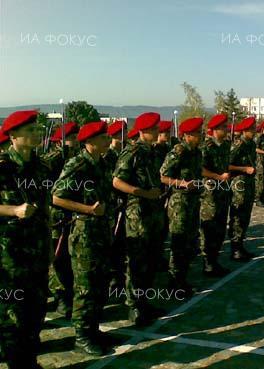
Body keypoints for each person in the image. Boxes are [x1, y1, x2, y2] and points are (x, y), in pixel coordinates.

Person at [52, 121, 113, 356]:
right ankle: (82, 336)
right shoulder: (77, 164)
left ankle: (94, 330)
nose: (108, 140)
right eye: (103, 137)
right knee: (85, 287)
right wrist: (87, 209)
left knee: (99, 284)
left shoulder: (104, 161)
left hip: (102, 231)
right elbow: (57, 197)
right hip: (84, 233)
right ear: (89, 141)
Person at [0, 110, 50, 369]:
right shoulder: (2, 167)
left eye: (36, 129)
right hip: (10, 254)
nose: (36, 134)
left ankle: (28, 360)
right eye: (29, 130)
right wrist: (13, 210)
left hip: (38, 250)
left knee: (36, 309)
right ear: (13, 136)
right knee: (13, 315)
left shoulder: (41, 167)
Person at [113, 112, 165, 325]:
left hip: (154, 211)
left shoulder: (152, 152)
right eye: (154, 129)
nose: (157, 132)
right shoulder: (132, 151)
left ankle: (144, 302)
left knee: (152, 259)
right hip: (138, 214)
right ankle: (133, 306)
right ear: (144, 131)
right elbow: (117, 181)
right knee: (137, 260)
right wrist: (142, 193)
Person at [161, 117, 204, 292]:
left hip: (194, 200)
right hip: (179, 201)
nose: (200, 135)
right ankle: (175, 282)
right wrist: (181, 183)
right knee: (179, 242)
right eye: (197, 133)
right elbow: (163, 176)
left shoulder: (197, 152)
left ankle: (182, 278)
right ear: (187, 135)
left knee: (190, 241)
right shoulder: (178, 152)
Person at [42, 122, 80, 318]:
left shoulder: (75, 157)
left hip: (72, 213)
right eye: (71, 137)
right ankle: (61, 296)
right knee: (58, 258)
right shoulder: (54, 158)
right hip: (57, 214)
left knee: (69, 256)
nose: (74, 141)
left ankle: (68, 293)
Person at [199, 114, 232, 277]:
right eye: (224, 127)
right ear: (215, 130)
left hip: (223, 192)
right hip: (210, 193)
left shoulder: (225, 146)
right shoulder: (206, 147)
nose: (227, 129)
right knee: (209, 228)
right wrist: (218, 177)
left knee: (220, 227)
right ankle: (207, 263)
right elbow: (201, 169)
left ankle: (214, 260)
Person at [103, 121, 128, 293]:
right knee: (112, 242)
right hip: (112, 204)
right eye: (122, 133)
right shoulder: (109, 156)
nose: (125, 135)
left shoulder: (123, 153)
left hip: (122, 203)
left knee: (121, 242)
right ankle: (112, 277)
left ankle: (119, 275)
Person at [228, 117, 257, 261]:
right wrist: (244, 169)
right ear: (245, 130)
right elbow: (226, 165)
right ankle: (235, 248)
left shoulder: (251, 144)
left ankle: (240, 244)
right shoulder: (238, 144)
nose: (254, 131)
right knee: (238, 216)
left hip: (249, 183)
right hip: (238, 184)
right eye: (252, 129)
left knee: (246, 215)